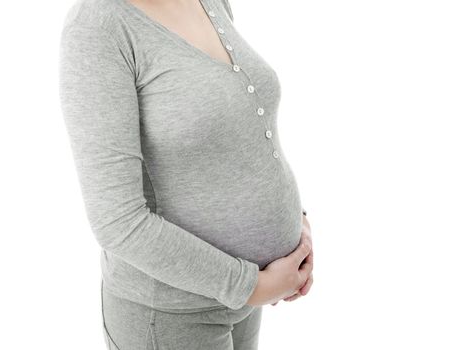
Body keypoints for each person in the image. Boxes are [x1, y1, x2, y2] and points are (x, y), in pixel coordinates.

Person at [58, 0, 314, 348]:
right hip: (171, 316)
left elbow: (230, 128)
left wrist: (295, 225)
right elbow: (118, 222)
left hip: (245, 300)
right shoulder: (98, 26)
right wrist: (250, 286)